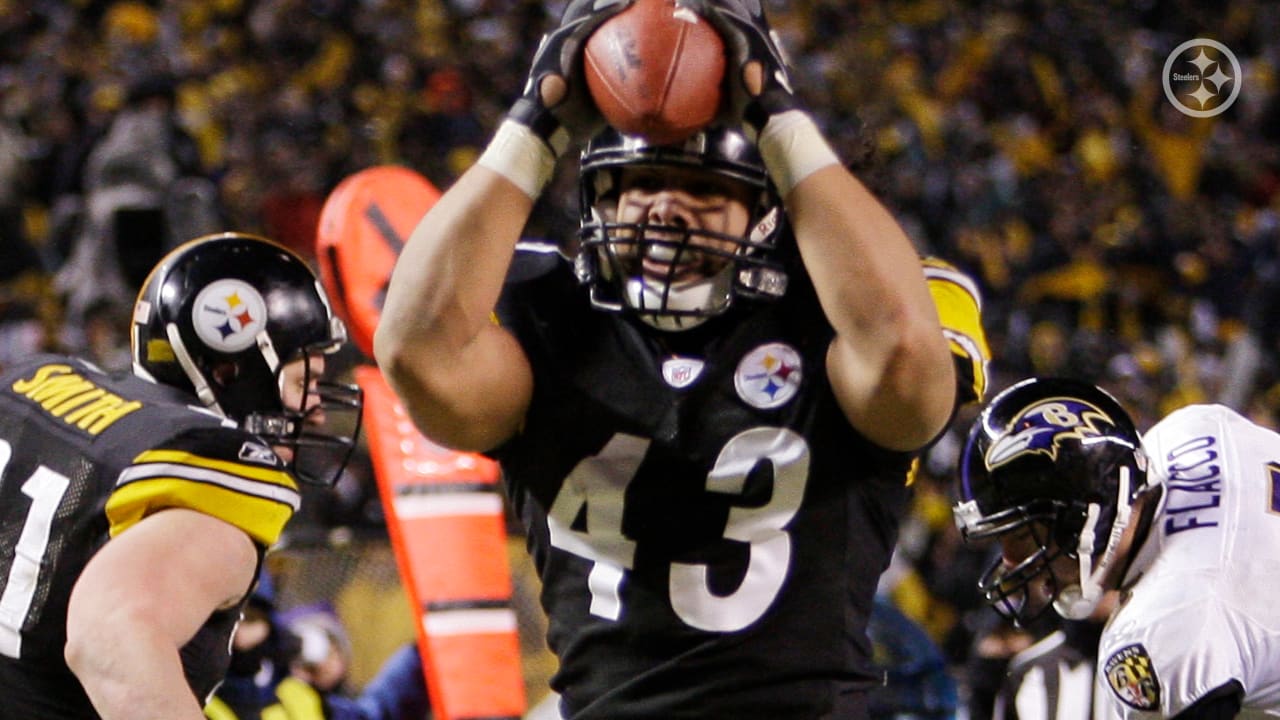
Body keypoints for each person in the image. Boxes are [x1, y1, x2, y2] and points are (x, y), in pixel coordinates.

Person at [373, 0, 962, 716]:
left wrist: (778, 118)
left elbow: (905, 358)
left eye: (704, 189)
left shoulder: (834, 320)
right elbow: (413, 347)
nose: (663, 208)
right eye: (639, 182)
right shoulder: (552, 320)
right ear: (597, 197)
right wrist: (536, 122)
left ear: (770, 210)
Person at [0, 231, 362, 719]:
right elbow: (110, 638)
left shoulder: (40, 382)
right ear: (232, 372)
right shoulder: (218, 467)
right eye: (303, 381)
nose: (316, 410)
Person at [952, 376, 1280, 718]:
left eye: (1022, 535)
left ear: (1084, 516)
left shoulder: (1161, 630)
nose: (1009, 560)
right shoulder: (1191, 428)